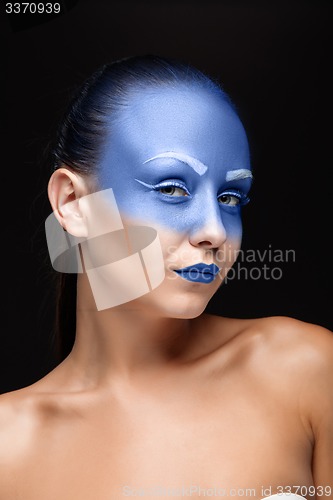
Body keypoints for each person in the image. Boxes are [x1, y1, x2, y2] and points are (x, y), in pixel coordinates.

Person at [0, 55, 332, 500]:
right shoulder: (11, 446)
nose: (215, 230)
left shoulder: (303, 371)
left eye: (232, 197)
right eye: (172, 189)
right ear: (73, 204)